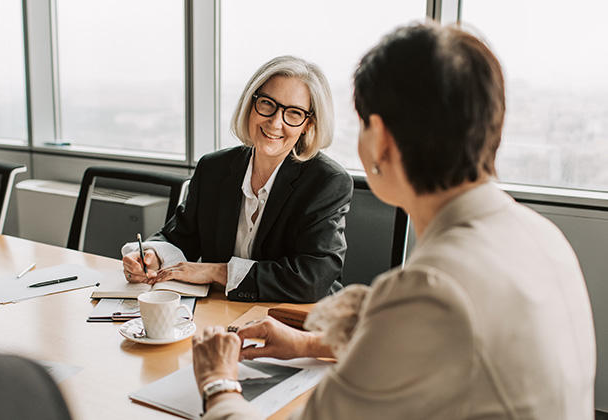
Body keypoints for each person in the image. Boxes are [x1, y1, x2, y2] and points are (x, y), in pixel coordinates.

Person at [191, 22, 597, 419]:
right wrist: (308, 343)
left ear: (379, 137)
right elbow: (434, 347)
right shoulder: (545, 237)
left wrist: (217, 382)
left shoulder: (431, 287)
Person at [122, 56, 353, 303]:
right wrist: (151, 256)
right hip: (224, 311)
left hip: (295, 321)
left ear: (308, 124)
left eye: (294, 113)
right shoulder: (214, 168)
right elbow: (178, 236)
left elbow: (312, 279)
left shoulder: (327, 182)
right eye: (267, 104)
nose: (275, 122)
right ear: (251, 104)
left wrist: (216, 271)